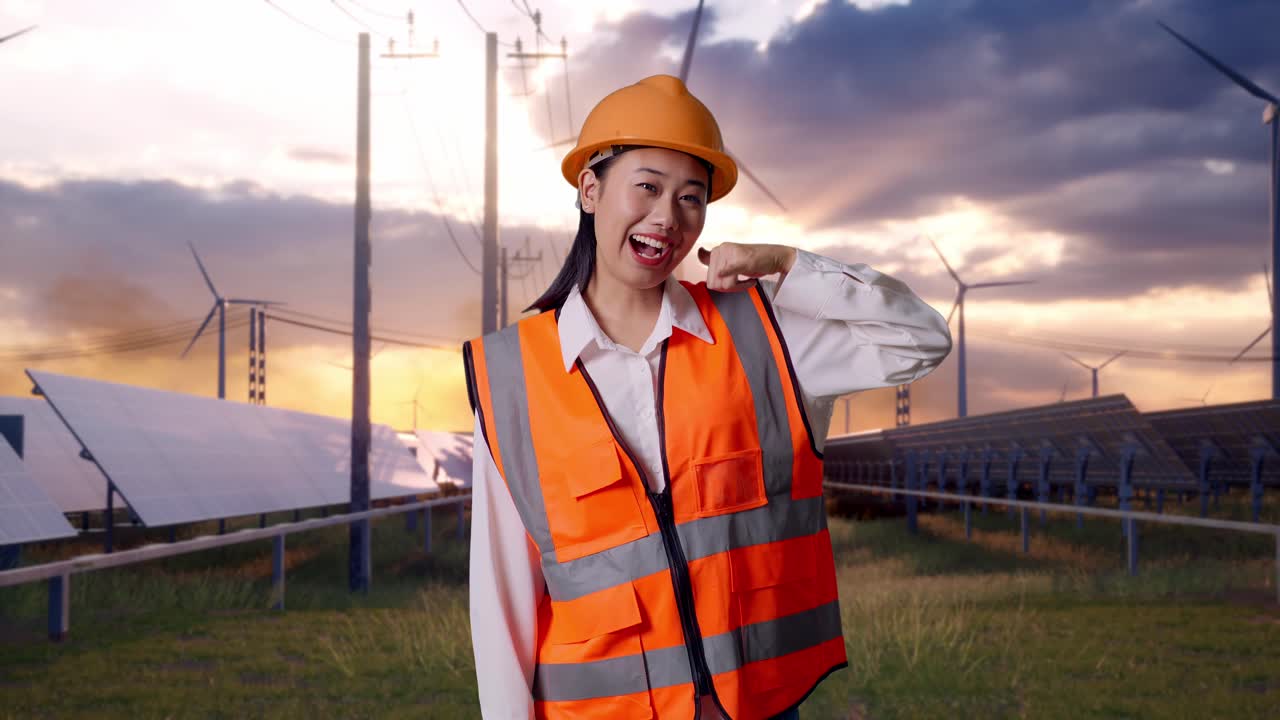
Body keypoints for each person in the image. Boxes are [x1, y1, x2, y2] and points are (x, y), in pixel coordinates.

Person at [463, 74, 952, 720]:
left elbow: (920, 338)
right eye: (647, 187)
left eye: (692, 198)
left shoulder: (761, 332)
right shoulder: (511, 376)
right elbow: (502, 605)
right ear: (589, 189)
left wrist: (788, 265)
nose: (668, 217)